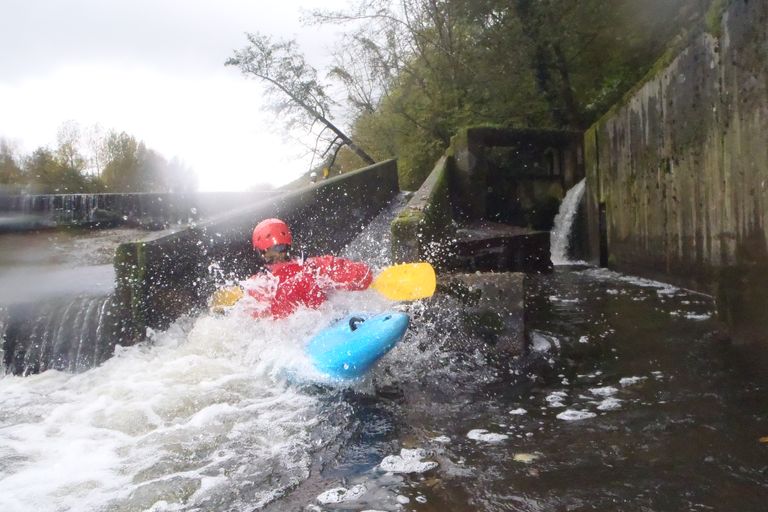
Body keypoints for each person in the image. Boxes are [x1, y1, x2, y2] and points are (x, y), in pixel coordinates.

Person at [242, 218, 373, 318]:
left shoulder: (259, 284)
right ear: (288, 242)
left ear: (260, 251)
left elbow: (253, 316)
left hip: (292, 338)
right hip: (327, 320)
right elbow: (363, 276)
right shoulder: (315, 265)